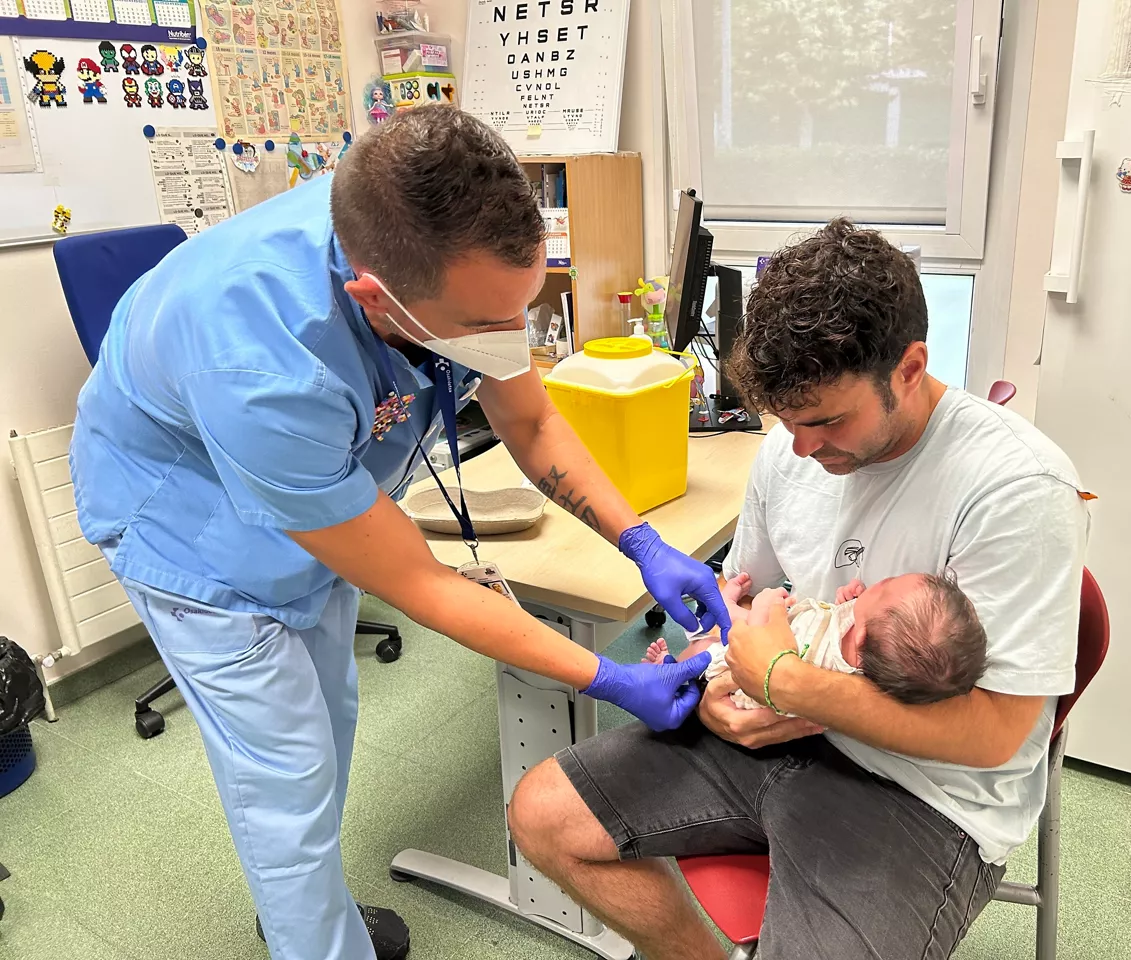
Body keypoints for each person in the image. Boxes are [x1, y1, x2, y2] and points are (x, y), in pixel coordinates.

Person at [68, 105, 729, 960]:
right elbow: (420, 584)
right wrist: (606, 677)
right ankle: (313, 941)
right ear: (374, 297)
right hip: (191, 532)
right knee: (287, 773)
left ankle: (305, 910)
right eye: (483, 325)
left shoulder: (421, 234)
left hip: (313, 494)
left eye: (517, 311)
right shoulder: (265, 363)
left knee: (331, 720)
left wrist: (641, 542)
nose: (506, 342)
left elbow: (528, 423)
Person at [508, 220, 1089, 960]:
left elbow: (995, 734)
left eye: (827, 421)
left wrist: (784, 682)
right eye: (787, 421)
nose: (805, 449)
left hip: (920, 791)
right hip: (760, 737)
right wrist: (720, 683)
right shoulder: (791, 450)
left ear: (910, 368)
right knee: (542, 815)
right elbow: (745, 607)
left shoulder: (1017, 489)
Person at [644, 571, 989, 710]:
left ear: (862, 635)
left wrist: (768, 604)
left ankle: (672, 670)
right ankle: (721, 615)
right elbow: (839, 622)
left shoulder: (823, 661)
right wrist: (849, 603)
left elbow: (765, 646)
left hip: (750, 669)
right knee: (725, 627)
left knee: (713, 646)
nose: (883, 578)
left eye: (885, 586)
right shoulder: (864, 648)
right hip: (784, 631)